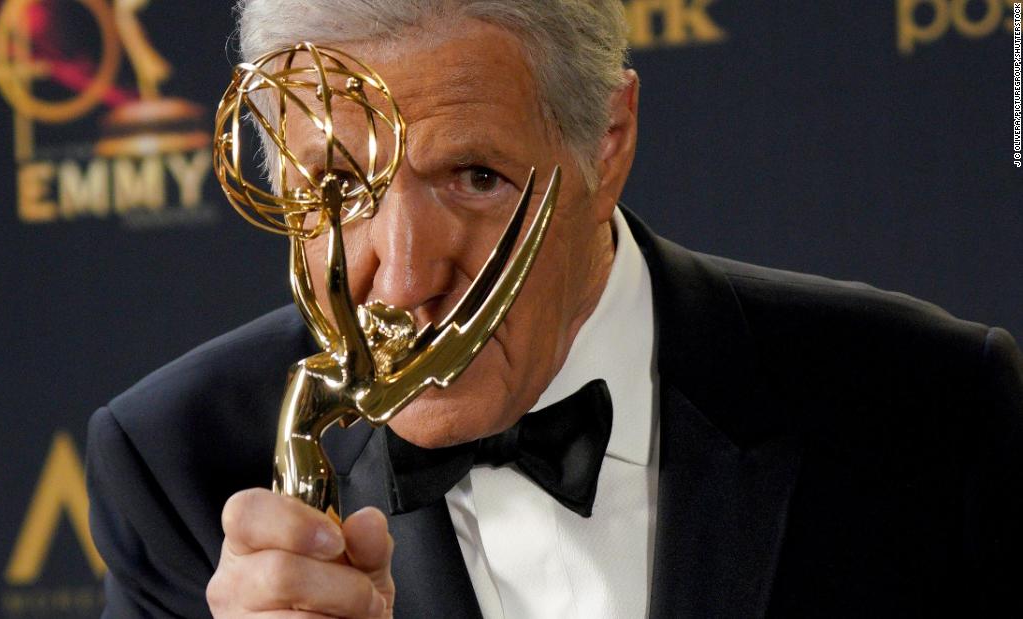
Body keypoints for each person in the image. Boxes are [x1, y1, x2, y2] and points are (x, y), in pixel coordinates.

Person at [86, 1, 1023, 617]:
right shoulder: (178, 467)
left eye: (475, 177)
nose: (404, 277)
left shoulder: (932, 409)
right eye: (338, 187)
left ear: (608, 141)